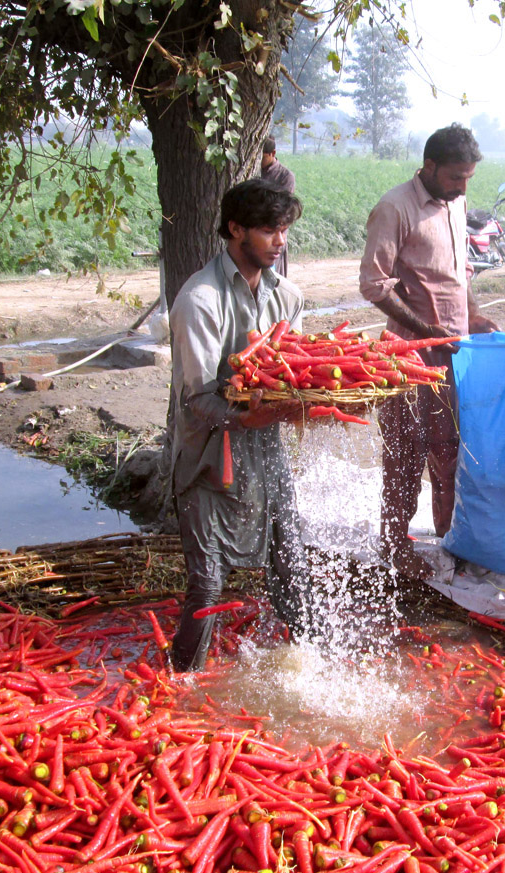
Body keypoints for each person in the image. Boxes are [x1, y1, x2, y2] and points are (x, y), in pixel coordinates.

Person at [166, 178, 312, 671]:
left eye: (284, 230)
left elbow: (294, 368)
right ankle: (180, 682)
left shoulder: (287, 296)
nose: (280, 241)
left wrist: (310, 398)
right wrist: (249, 415)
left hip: (266, 452)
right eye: (269, 231)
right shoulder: (199, 300)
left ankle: (305, 667)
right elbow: (199, 398)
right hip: (210, 455)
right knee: (207, 582)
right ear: (235, 230)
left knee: (291, 563)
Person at [359, 123, 498, 579]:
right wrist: (427, 331)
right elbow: (373, 285)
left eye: (469, 179)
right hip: (409, 357)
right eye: (456, 177)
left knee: (452, 451)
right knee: (404, 455)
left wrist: (472, 316)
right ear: (430, 166)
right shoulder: (395, 208)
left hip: (457, 357)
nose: (462, 188)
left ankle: (450, 538)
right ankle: (395, 545)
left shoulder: (454, 207)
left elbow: (460, 276)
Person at [260, 135, 296, 276]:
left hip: (275, 236)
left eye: (261, 157)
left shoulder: (285, 177)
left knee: (273, 279)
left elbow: (282, 211)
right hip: (255, 238)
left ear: (272, 153)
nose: (258, 162)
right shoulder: (254, 171)